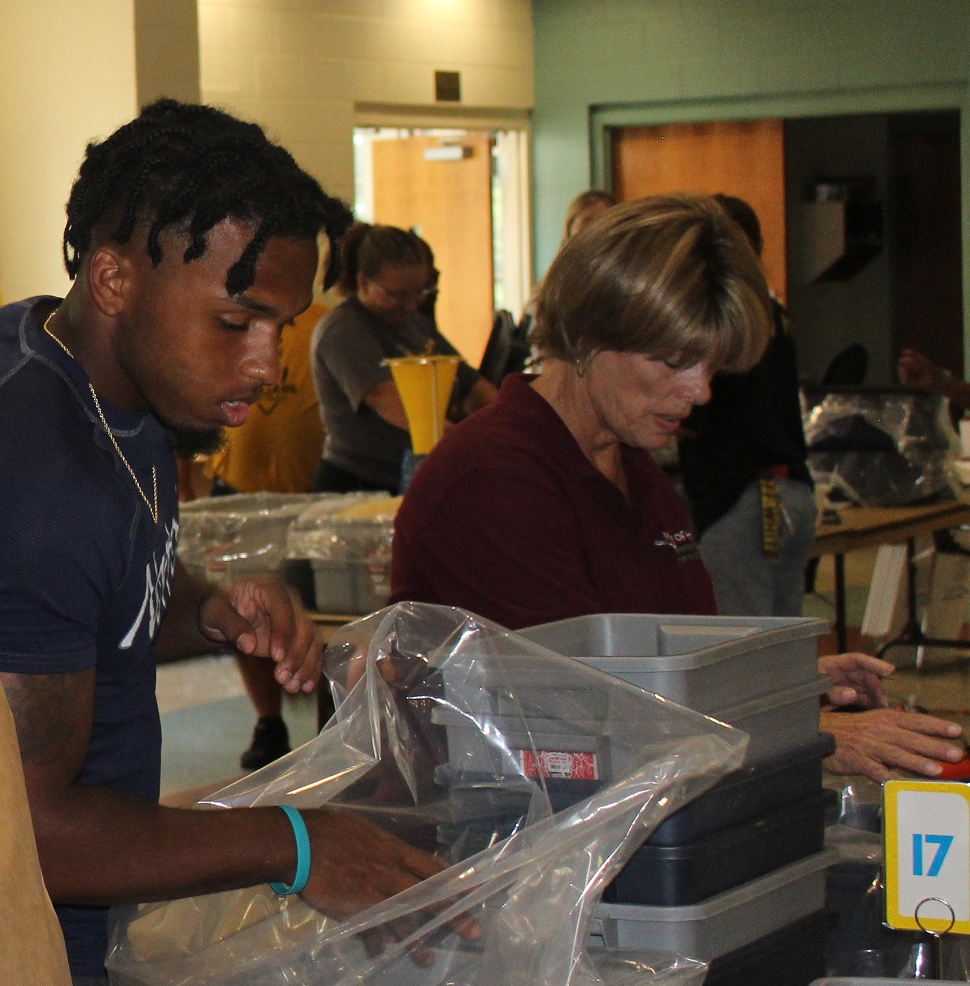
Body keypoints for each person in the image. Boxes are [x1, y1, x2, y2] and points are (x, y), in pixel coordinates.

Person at [0, 100, 450, 986]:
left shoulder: (97, 379)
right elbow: (31, 830)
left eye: (281, 326)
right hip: (16, 969)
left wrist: (203, 610)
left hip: (83, 937)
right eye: (235, 322)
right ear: (114, 276)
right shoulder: (37, 478)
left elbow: (91, 601)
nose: (266, 365)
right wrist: (295, 845)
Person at [391, 195, 962, 782]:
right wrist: (801, 730)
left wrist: (787, 686)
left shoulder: (630, 462)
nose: (701, 392)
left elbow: (666, 662)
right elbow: (581, 713)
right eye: (671, 362)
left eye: (711, 367)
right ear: (588, 335)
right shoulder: (494, 479)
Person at [201, 280, 333, 770]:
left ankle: (329, 727)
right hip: (237, 492)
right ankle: (268, 720)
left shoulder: (323, 325)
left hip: (305, 500)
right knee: (241, 612)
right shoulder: (225, 318)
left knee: (310, 620)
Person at [678, 195, 817, 618]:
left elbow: (705, 411)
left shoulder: (721, 319)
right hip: (790, 491)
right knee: (783, 641)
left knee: (744, 646)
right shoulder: (773, 312)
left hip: (742, 499)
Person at [310, 223, 497, 493]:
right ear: (363, 281)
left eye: (418, 293)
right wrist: (466, 441)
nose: (410, 305)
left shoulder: (415, 324)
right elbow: (390, 400)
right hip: (359, 483)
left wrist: (506, 422)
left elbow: (469, 382)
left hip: (408, 476)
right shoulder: (343, 330)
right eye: (396, 295)